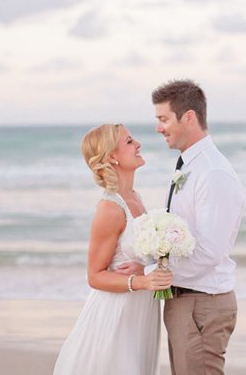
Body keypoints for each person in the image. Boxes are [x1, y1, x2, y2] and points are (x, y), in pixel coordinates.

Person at [53, 124, 172, 375]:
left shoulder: (136, 197)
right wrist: (142, 281)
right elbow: (94, 276)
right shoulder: (110, 208)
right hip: (115, 317)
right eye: (129, 142)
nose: (138, 144)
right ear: (112, 157)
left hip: (140, 315)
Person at [152, 79, 246, 375]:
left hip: (201, 304)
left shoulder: (212, 172)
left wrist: (151, 275)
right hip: (186, 301)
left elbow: (208, 253)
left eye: (164, 119)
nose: (159, 128)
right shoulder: (190, 165)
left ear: (188, 117)